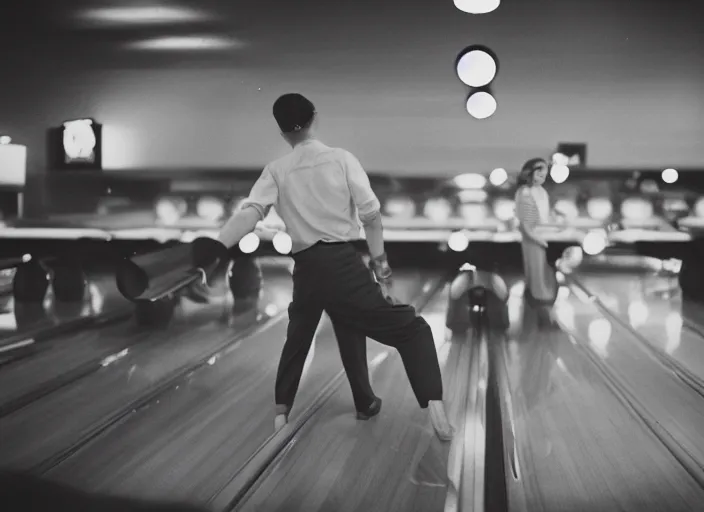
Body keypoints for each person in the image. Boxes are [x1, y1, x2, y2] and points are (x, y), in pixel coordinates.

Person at [207, 93, 453, 441]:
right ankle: (437, 411)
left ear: (281, 133)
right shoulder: (341, 159)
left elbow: (250, 213)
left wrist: (216, 248)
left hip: (306, 269)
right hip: (341, 262)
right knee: (413, 329)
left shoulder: (275, 170)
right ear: (314, 118)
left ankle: (300, 412)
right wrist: (382, 270)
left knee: (302, 337)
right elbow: (370, 215)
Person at [514, 158, 559, 314]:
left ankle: (542, 296)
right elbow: (524, 223)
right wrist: (535, 237)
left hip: (545, 235)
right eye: (539, 174)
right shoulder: (524, 192)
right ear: (529, 173)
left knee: (543, 267)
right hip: (532, 237)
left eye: (544, 174)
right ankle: (538, 297)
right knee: (535, 267)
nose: (542, 177)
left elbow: (546, 215)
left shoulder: (541, 191)